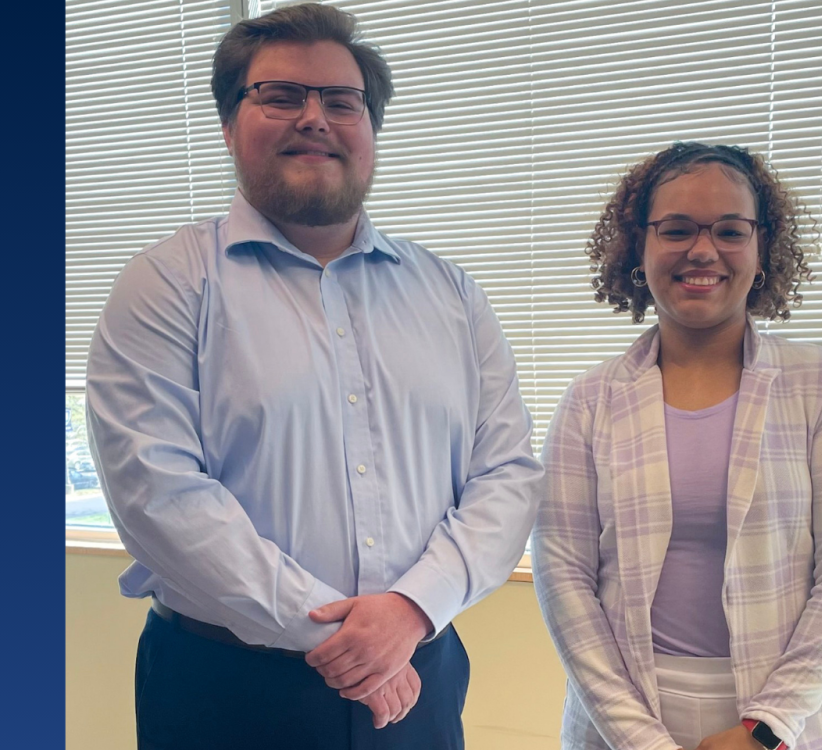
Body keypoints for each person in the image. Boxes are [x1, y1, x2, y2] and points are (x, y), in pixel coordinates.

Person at [85, 4, 543, 748]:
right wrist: (339, 636)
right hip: (223, 685)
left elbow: (508, 476)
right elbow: (158, 492)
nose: (315, 118)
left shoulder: (452, 294)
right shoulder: (166, 284)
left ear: (371, 130)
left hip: (418, 672)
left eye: (341, 100)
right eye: (280, 96)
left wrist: (409, 611)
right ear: (230, 123)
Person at [531, 142, 822, 750]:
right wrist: (639, 738)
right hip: (625, 717)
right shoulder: (589, 401)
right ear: (638, 249)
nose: (703, 250)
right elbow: (563, 578)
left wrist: (766, 728)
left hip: (791, 719)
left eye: (730, 229)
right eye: (675, 229)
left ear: (761, 248)